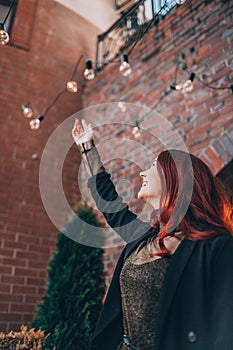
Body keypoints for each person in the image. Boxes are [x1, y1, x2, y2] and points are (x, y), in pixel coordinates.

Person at [72, 119, 233, 350]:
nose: (142, 172)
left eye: (153, 165)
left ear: (175, 177)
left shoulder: (216, 247)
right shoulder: (144, 238)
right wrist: (87, 147)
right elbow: (110, 203)